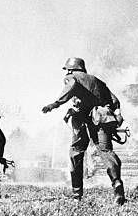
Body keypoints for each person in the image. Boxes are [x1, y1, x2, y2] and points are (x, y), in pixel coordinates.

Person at [42, 57, 125, 203]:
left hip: (83, 118)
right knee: (106, 151)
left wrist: (55, 103)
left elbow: (71, 86)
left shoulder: (72, 77)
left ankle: (77, 195)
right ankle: (117, 182)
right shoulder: (97, 81)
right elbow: (115, 101)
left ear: (70, 69)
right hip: (102, 116)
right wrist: (117, 116)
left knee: (76, 153)